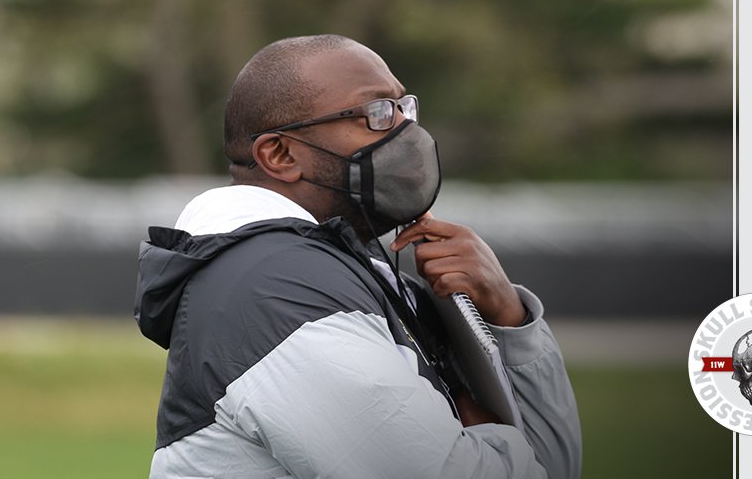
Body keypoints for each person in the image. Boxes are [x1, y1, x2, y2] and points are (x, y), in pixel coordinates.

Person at [134, 34, 581, 478]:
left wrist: (508, 317)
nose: (407, 130)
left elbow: (556, 466)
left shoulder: (354, 268)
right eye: (376, 113)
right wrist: (493, 438)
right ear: (280, 154)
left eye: (404, 106)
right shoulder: (276, 291)